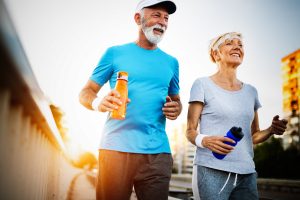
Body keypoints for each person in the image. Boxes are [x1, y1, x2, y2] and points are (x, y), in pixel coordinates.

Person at [79, 0, 181, 199]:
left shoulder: (172, 62)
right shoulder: (115, 53)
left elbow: (177, 101)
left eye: (166, 18)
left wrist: (176, 109)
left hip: (158, 153)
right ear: (137, 19)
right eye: (156, 15)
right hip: (116, 148)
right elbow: (86, 92)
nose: (162, 22)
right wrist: (98, 103)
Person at [186, 32, 288, 200]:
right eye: (229, 43)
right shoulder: (202, 84)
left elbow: (253, 136)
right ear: (215, 53)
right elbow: (190, 130)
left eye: (240, 45)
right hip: (211, 169)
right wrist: (204, 140)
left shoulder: (251, 91)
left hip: (246, 173)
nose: (237, 47)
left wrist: (270, 130)